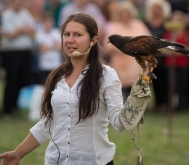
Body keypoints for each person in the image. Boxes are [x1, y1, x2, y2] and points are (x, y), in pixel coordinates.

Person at [0, 12, 151, 165]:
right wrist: (17, 154)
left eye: (77, 35)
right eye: (66, 34)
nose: (70, 40)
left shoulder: (106, 76)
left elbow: (119, 124)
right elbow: (48, 123)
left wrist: (135, 103)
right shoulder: (56, 76)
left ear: (93, 40)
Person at [103, 1, 151, 103]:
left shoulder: (138, 24)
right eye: (122, 13)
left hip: (136, 62)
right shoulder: (114, 26)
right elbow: (108, 46)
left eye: (127, 13)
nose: (125, 15)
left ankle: (137, 104)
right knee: (121, 88)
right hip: (120, 63)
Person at [1, 0, 35, 116]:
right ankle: (7, 109)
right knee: (11, 81)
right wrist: (22, 29)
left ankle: (16, 106)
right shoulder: (6, 15)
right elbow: (10, 35)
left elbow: (32, 30)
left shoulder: (26, 13)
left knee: (22, 80)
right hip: (12, 53)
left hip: (25, 52)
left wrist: (19, 30)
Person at [163, 10, 189, 111]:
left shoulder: (187, 34)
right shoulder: (168, 34)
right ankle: (170, 106)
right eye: (175, 20)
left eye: (179, 20)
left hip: (183, 64)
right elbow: (164, 50)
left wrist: (177, 51)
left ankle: (180, 106)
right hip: (171, 64)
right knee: (173, 85)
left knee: (182, 85)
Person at [144, 0, 170, 113]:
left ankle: (161, 104)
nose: (156, 10)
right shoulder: (145, 23)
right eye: (154, 8)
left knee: (161, 80)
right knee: (146, 81)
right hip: (148, 57)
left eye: (159, 8)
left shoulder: (167, 23)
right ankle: (143, 106)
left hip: (162, 56)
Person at [35, 12, 62, 85]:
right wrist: (54, 46)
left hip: (56, 66)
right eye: (45, 22)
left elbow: (60, 47)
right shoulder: (39, 34)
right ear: (42, 23)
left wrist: (47, 46)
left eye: (49, 21)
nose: (48, 24)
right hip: (44, 66)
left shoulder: (57, 32)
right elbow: (41, 49)